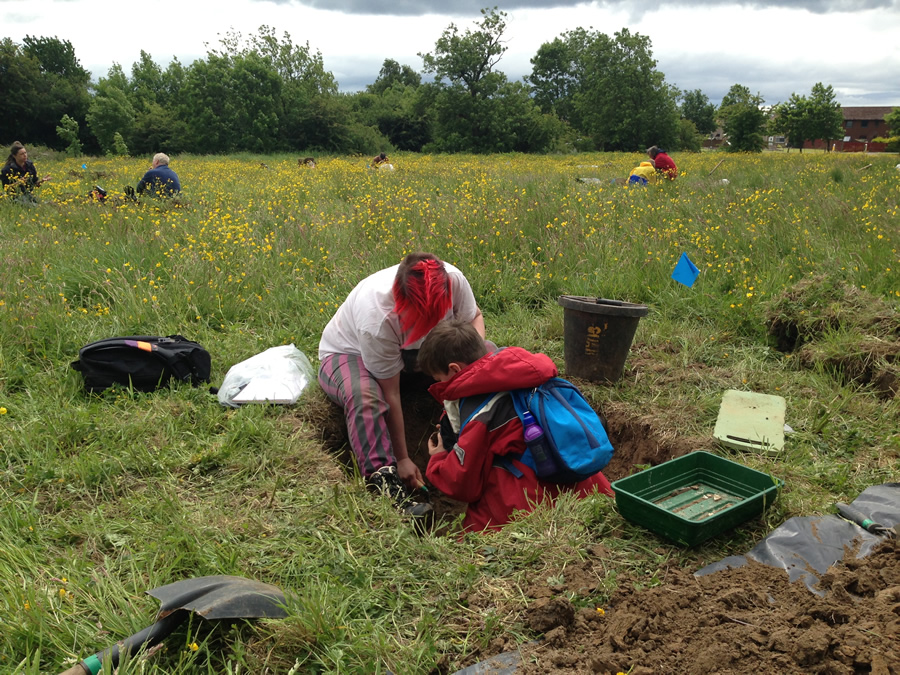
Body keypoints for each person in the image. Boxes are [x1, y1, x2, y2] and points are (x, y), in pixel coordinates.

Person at [318, 252, 487, 518]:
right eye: (422, 317)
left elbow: (474, 318)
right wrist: (403, 459)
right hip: (351, 355)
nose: (430, 323)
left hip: (420, 357)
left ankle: (491, 449)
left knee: (488, 355)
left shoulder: (453, 280)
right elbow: (391, 394)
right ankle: (385, 484)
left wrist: (470, 371)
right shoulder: (377, 317)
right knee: (365, 396)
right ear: (401, 299)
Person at [418, 319, 613, 533]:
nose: (440, 387)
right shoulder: (519, 374)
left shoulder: (482, 413)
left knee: (473, 539)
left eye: (439, 380)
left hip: (537, 499)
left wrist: (438, 457)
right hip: (585, 481)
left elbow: (463, 484)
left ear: (455, 369)